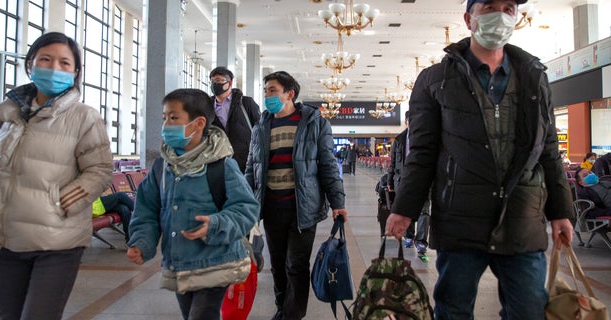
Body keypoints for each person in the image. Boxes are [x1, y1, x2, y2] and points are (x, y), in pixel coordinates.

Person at [384, 0, 574, 318]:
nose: (500, 15)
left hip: (522, 219)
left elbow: (549, 150)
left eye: (509, 7)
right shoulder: (435, 80)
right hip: (460, 218)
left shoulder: (534, 77)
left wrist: (561, 212)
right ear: (468, 19)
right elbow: (422, 155)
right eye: (488, 6)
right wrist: (403, 210)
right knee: (453, 310)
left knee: (529, 310)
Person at [0, 32, 113, 320]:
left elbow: (99, 170)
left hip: (56, 241)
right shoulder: (6, 112)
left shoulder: (84, 117)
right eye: (45, 60)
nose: (53, 68)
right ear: (31, 64)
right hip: (4, 235)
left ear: (75, 73)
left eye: (64, 63)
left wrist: (59, 203)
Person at [126, 88, 259, 319]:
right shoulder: (161, 168)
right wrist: (142, 242)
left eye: (174, 117)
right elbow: (146, 210)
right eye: (165, 117)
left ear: (198, 123)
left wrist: (216, 224)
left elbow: (246, 209)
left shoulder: (221, 165)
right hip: (180, 263)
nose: (166, 124)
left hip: (217, 262)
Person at [245, 71, 347, 320]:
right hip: (270, 207)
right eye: (266, 90)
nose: (267, 95)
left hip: (303, 207)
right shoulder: (260, 125)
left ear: (290, 94)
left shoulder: (314, 122)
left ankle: (292, 315)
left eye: (272, 90)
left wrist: (338, 203)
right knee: (278, 265)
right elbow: (251, 169)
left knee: (296, 265)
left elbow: (327, 165)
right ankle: (282, 308)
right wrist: (244, 204)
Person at [387, 111, 430, 254]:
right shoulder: (399, 140)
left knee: (424, 211)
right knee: (406, 209)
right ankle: (409, 237)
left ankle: (421, 241)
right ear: (406, 122)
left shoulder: (426, 138)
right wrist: (390, 181)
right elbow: (392, 163)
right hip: (403, 180)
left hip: (423, 180)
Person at [209, 66, 261, 173]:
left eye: (219, 81)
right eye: (213, 81)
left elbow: (260, 130)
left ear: (230, 83)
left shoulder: (246, 103)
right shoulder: (207, 106)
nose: (215, 84)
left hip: (245, 162)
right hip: (217, 161)